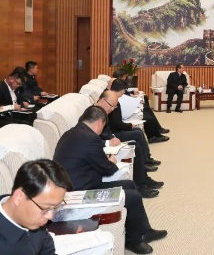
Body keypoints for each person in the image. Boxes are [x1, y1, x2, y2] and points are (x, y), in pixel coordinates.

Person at [53, 106, 167, 254]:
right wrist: (112, 161)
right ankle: (134, 241)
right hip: (80, 194)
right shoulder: (90, 138)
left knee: (129, 184)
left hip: (78, 185)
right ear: (100, 123)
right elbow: (108, 169)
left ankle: (143, 231)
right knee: (133, 197)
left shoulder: (71, 133)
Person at [96, 88, 163, 198]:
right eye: (111, 106)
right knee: (135, 143)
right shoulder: (94, 115)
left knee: (135, 143)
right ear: (103, 101)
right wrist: (108, 142)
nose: (112, 109)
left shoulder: (102, 111)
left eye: (114, 107)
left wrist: (111, 138)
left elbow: (106, 132)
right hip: (105, 146)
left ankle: (144, 180)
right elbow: (93, 139)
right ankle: (141, 185)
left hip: (111, 140)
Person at [0, 159, 73, 254]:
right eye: (46, 208)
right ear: (19, 197)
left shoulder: (35, 222)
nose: (50, 216)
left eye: (55, 208)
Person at [112, 69, 170, 143]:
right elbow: (122, 95)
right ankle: (153, 137)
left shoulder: (118, 84)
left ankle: (158, 129)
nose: (125, 78)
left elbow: (124, 93)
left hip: (127, 105)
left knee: (146, 108)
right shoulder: (116, 87)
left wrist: (131, 93)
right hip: (126, 109)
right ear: (119, 77)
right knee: (148, 117)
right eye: (124, 77)